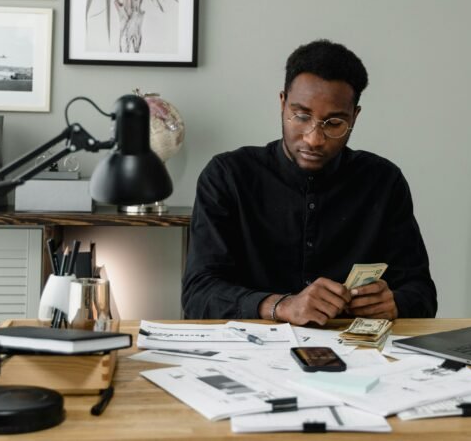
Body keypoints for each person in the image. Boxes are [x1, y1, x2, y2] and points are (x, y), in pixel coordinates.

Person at [181, 39, 437, 325]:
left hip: (354, 356)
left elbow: (422, 293)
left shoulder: (384, 182)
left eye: (335, 124)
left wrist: (395, 303)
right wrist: (282, 306)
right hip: (249, 354)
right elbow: (198, 294)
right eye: (301, 116)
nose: (314, 139)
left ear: (355, 116)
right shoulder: (227, 176)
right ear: (282, 103)